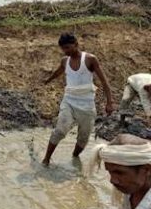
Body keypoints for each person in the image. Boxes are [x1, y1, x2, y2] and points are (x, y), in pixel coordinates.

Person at [42, 33, 114, 166]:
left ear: (76, 44)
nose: (66, 51)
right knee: (59, 130)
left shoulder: (90, 59)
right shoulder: (65, 60)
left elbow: (104, 82)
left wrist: (109, 102)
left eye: (68, 47)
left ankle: (74, 158)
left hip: (86, 104)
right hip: (69, 101)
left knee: (83, 137)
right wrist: (48, 80)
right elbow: (59, 71)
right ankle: (46, 159)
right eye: (63, 48)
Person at [95, 134, 151, 209]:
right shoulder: (128, 191)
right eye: (110, 172)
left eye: (119, 173)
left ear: (146, 169)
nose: (112, 180)